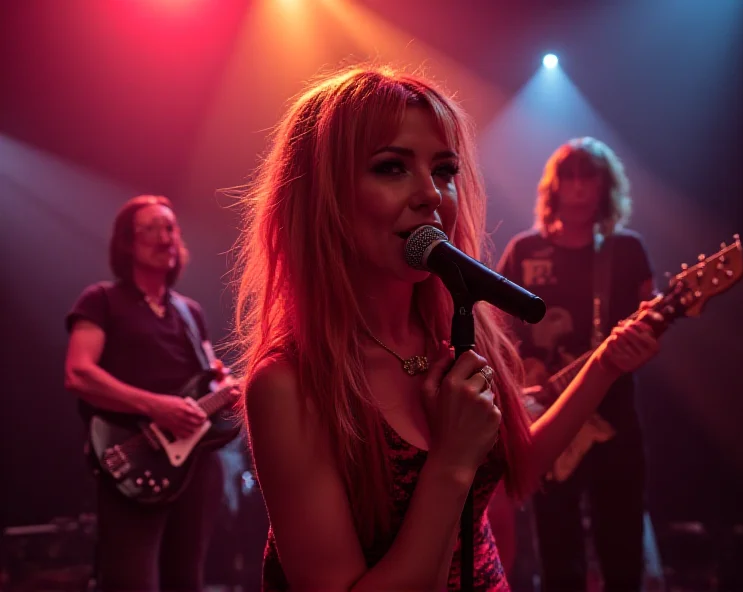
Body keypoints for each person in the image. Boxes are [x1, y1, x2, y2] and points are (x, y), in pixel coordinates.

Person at [234, 66, 660, 591]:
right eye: (391, 168)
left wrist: (604, 366)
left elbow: (519, 467)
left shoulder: (456, 334)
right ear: (322, 196)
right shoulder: (291, 383)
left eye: (443, 170)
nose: (432, 195)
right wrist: (452, 460)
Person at [493, 137, 656, 591]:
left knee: (622, 550)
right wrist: (520, 381)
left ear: (606, 187)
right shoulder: (525, 252)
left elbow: (651, 321)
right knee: (557, 551)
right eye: (571, 176)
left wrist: (649, 339)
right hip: (543, 417)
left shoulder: (626, 251)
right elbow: (492, 330)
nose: (580, 187)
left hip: (613, 420)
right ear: (555, 186)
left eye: (590, 177)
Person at [64, 195, 223, 591]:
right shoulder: (101, 300)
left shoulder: (190, 311)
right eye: (150, 228)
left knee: (186, 581)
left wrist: (224, 386)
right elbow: (78, 374)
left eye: (170, 227)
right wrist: (158, 407)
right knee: (129, 582)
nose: (165, 237)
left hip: (194, 461)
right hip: (134, 456)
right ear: (127, 242)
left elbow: (211, 376)